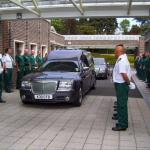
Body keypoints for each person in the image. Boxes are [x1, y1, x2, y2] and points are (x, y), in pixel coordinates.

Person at [112, 44, 131, 131]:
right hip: (120, 84)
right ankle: (121, 119)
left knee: (122, 105)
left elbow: (124, 74)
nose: (114, 52)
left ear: (119, 51)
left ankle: (122, 125)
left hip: (122, 84)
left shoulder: (122, 60)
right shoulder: (121, 58)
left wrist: (128, 83)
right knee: (120, 103)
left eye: (115, 51)